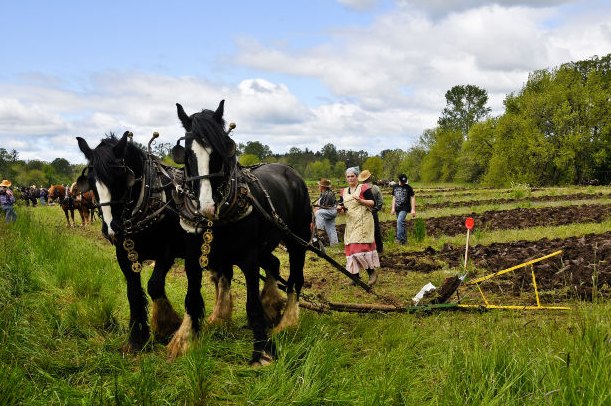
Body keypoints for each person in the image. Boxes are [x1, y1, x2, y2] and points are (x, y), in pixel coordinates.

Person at [337, 167, 380, 286]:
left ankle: (371, 272)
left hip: (363, 221)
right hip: (351, 222)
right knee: (350, 249)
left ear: (357, 177)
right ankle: (355, 277)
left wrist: (361, 200)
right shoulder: (344, 191)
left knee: (359, 249)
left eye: (352, 176)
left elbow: (372, 203)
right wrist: (340, 209)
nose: (350, 178)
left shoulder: (363, 188)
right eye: (348, 176)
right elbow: (342, 205)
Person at [358, 169, 384, 253]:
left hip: (362, 213)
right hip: (373, 212)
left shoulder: (360, 188)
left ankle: (365, 249)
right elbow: (380, 201)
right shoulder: (376, 188)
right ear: (370, 178)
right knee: (376, 230)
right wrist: (375, 209)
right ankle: (379, 249)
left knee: (363, 231)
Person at [390, 174, 416, 245]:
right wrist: (393, 208)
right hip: (397, 207)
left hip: (405, 207)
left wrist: (413, 209)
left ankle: (399, 239)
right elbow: (394, 197)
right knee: (402, 224)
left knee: (399, 221)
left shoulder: (408, 187)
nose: (403, 183)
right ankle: (404, 241)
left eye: (404, 181)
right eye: (402, 181)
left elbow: (413, 197)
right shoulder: (395, 187)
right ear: (398, 180)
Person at [313, 178, 339, 246]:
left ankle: (320, 230)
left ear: (322, 187)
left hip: (330, 211)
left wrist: (317, 209)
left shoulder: (328, 194)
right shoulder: (323, 193)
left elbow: (325, 205)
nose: (318, 187)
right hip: (329, 211)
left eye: (319, 186)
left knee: (318, 213)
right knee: (331, 227)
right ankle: (334, 244)